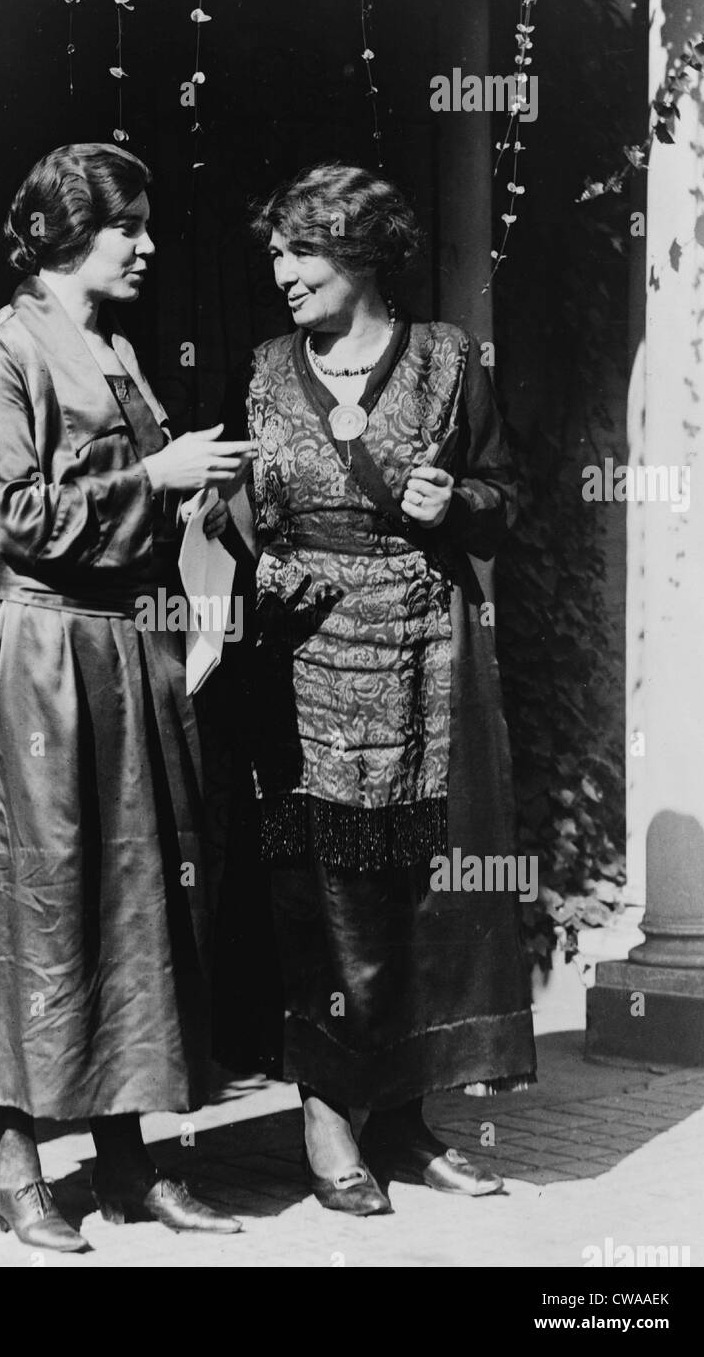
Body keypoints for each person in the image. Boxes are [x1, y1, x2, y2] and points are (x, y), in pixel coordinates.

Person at [0, 143, 254, 1252]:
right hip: (44, 661)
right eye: (127, 228)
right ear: (62, 236)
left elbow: (137, 507)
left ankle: (125, 1160)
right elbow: (17, 518)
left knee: (135, 901)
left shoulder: (114, 350)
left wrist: (199, 499)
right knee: (34, 904)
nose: (147, 246)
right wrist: (153, 478)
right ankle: (10, 1166)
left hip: (126, 657)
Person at [241, 162, 537, 1216]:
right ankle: (326, 1109)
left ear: (360, 251)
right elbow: (248, 516)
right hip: (305, 662)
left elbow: (506, 501)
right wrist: (250, 554)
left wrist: (455, 497)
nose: (282, 272)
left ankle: (406, 1121)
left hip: (425, 655)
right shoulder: (269, 369)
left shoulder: (450, 361)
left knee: (418, 882)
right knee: (326, 887)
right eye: (276, 253)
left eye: (301, 251)